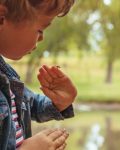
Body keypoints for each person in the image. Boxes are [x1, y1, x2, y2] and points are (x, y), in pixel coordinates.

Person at [0, 0, 77, 150]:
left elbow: (28, 104)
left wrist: (59, 103)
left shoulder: (4, 73)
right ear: (2, 18)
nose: (41, 38)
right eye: (40, 30)